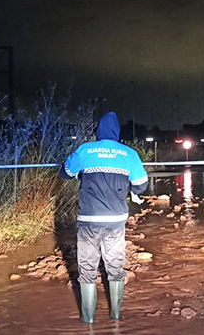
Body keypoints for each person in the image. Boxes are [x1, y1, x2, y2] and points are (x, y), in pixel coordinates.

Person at [60, 112, 148, 323]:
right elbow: (141, 185)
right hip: (116, 221)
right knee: (115, 267)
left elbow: (65, 173)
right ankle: (115, 315)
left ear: (98, 132)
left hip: (89, 220)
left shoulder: (86, 150)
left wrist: (82, 173)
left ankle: (88, 319)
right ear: (117, 133)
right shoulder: (129, 154)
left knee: (87, 267)